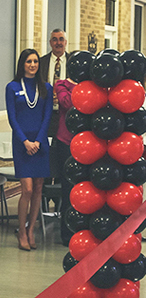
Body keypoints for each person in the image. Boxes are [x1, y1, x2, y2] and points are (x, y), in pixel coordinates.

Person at [6, 49, 53, 251]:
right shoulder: (12, 87)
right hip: (21, 143)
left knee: (39, 190)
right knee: (27, 189)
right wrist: (25, 141)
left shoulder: (46, 88)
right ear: (22, 64)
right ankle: (22, 232)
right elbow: (12, 117)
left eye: (35, 61)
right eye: (28, 61)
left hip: (40, 144)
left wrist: (39, 141)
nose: (33, 64)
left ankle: (32, 229)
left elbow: (47, 116)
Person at [54, 76, 78, 246]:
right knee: (68, 191)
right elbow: (68, 102)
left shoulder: (90, 84)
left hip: (87, 144)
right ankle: (67, 233)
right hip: (65, 143)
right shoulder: (61, 84)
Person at [40, 29, 69, 138]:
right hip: (45, 114)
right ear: (50, 43)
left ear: (65, 42)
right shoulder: (41, 62)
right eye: (55, 40)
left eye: (61, 39)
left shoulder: (73, 62)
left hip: (66, 115)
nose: (58, 43)